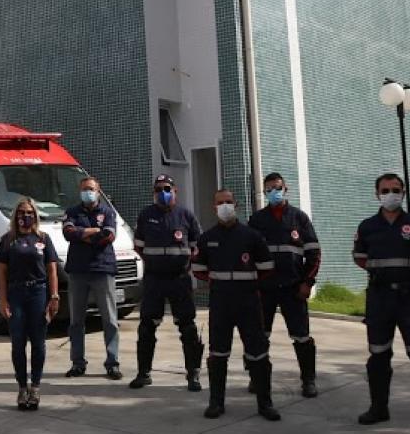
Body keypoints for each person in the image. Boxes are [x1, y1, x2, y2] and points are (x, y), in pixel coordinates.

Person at [354, 173, 410, 433]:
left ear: (403, 193)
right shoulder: (367, 226)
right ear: (377, 194)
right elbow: (360, 258)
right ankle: (378, 408)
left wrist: (409, 273)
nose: (390, 194)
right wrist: (383, 273)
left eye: (396, 189)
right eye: (385, 190)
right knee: (378, 353)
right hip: (379, 298)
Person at [193, 189, 280, 420]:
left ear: (236, 205)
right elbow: (199, 269)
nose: (224, 206)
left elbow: (266, 268)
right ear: (214, 207)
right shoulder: (207, 238)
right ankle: (216, 403)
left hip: (248, 302)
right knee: (218, 354)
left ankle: (265, 404)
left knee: (258, 354)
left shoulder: (251, 236)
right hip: (221, 303)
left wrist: (246, 284)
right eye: (220, 203)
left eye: (228, 202)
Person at [247, 172, 323, 398]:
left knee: (301, 336)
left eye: (277, 188)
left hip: (293, 288)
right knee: (259, 336)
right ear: (264, 192)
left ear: (285, 188)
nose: (273, 192)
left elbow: (314, 253)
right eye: (268, 189)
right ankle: (256, 378)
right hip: (264, 289)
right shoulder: (257, 220)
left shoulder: (299, 218)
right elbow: (248, 255)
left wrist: (308, 282)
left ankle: (308, 380)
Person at [130, 175, 205, 391]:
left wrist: (185, 266)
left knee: (187, 327)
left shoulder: (186, 215)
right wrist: (155, 263)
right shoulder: (146, 215)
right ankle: (143, 373)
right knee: (146, 327)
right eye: (158, 189)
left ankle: (193, 375)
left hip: (179, 280)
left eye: (166, 188)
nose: (162, 192)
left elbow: (196, 247)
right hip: (154, 279)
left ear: (175, 190)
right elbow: (139, 246)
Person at [0, 197, 60, 410]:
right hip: (16, 293)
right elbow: (2, 272)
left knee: (38, 342)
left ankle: (35, 387)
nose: (26, 216)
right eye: (22, 212)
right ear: (16, 216)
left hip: (38, 293)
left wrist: (54, 296)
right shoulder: (8, 240)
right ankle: (22, 387)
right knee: (18, 343)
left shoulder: (43, 238)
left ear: (35, 215)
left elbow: (51, 269)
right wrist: (3, 299)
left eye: (30, 212)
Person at [61, 177, 122, 380]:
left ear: (98, 191)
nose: (88, 192)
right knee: (76, 321)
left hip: (102, 270)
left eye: (91, 189)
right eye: (85, 189)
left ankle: (112, 363)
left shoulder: (107, 212)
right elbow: (68, 233)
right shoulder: (72, 212)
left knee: (110, 320)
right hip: (78, 271)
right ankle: (78, 363)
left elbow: (108, 236)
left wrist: (83, 235)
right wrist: (92, 232)